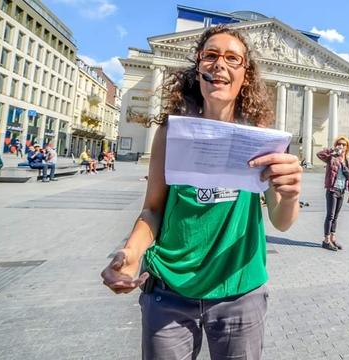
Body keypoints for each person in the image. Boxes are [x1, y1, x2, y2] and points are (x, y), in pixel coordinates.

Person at [100, 25, 302, 360]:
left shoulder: (262, 139)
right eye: (211, 55)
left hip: (239, 293)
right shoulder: (171, 132)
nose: (219, 64)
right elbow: (152, 209)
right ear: (199, 67)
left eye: (232, 58)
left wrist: (291, 195)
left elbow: (281, 221)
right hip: (170, 292)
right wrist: (130, 256)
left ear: (244, 75)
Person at [317, 136, 349, 251]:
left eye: (344, 144)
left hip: (341, 191)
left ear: (347, 147)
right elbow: (319, 154)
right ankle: (326, 241)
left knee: (336, 217)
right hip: (332, 190)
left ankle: (333, 238)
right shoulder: (331, 158)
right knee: (330, 216)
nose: (341, 146)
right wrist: (332, 151)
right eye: (339, 144)